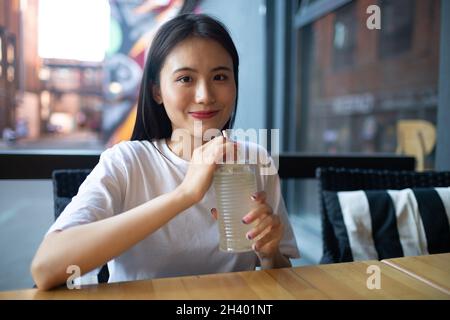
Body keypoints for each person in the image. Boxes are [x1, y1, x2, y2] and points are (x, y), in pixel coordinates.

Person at [31, 13, 300, 290]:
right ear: (157, 91)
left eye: (220, 76)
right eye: (185, 79)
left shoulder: (255, 160)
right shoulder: (126, 162)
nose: (205, 95)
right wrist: (185, 193)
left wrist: (269, 255)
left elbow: (281, 275)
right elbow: (46, 267)